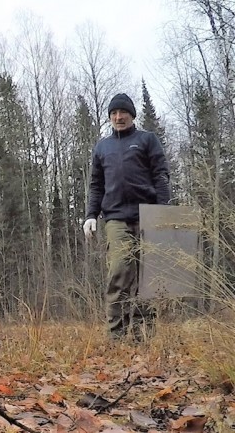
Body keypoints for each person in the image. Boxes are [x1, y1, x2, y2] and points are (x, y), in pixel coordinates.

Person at [84, 93, 171, 341]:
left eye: (123, 113)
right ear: (110, 117)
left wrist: (162, 210)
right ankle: (117, 337)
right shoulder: (102, 147)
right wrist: (91, 214)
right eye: (114, 114)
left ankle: (143, 334)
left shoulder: (147, 140)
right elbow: (96, 184)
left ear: (132, 115)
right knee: (120, 272)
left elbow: (161, 175)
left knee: (149, 278)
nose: (118, 117)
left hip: (149, 216)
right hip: (116, 218)